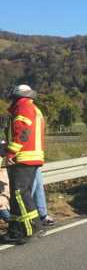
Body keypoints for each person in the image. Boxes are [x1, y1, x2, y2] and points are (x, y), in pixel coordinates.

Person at [2, 85, 45, 244]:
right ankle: (14, 230)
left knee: (20, 194)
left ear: (17, 96)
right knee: (16, 196)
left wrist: (10, 153)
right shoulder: (34, 108)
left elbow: (23, 133)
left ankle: (32, 228)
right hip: (31, 158)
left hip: (23, 158)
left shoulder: (23, 108)